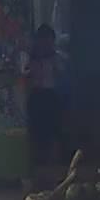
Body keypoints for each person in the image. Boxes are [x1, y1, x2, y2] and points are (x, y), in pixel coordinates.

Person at [25, 25, 66, 181]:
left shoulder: (56, 58)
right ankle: (37, 165)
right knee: (36, 131)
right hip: (36, 96)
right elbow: (25, 75)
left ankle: (53, 167)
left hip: (51, 96)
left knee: (53, 130)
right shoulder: (30, 58)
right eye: (43, 40)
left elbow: (61, 72)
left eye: (49, 41)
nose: (46, 44)